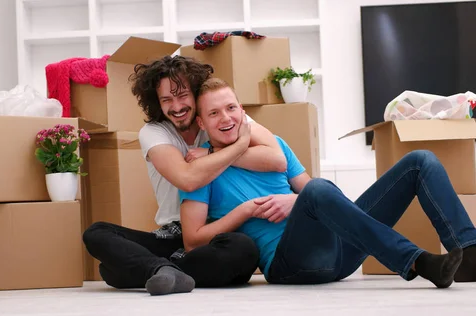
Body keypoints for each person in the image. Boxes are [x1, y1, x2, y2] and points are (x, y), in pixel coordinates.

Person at [179, 77, 476, 289]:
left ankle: (470, 254)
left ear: (242, 110)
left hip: (338, 252)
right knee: (318, 189)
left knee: (421, 160)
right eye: (214, 113)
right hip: (290, 265)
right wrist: (244, 210)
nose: (226, 118)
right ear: (202, 123)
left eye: (230, 108)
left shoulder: (275, 146)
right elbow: (192, 240)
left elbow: (310, 191)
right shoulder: (200, 171)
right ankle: (417, 262)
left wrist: (295, 201)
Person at [82, 56, 288, 295]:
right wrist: (239, 146)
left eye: (182, 96)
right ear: (157, 103)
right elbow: (187, 179)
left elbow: (277, 159)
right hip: (175, 234)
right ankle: (160, 269)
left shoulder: (224, 115)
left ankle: (146, 269)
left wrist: (210, 153)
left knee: (243, 249)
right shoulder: (153, 132)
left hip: (220, 233)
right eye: (166, 99)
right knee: (96, 233)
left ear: (197, 93)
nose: (177, 107)